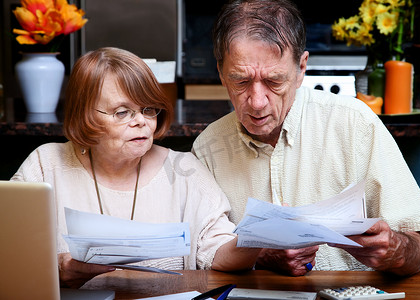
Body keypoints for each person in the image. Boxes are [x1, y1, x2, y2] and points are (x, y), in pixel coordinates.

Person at [192, 0, 420, 277]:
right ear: (221, 74)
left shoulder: (354, 123)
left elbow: (419, 252)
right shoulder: (206, 148)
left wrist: (395, 249)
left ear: (301, 68)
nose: (257, 102)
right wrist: (260, 257)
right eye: (240, 81)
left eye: (274, 81)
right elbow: (205, 258)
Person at [11, 47, 260, 288]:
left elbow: (219, 253)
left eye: (147, 109)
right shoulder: (45, 166)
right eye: (122, 112)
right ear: (84, 115)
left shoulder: (185, 171)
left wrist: (258, 238)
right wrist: (55, 269)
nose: (141, 121)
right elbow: (10, 256)